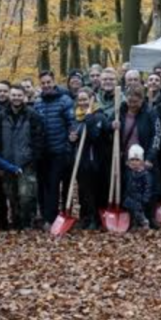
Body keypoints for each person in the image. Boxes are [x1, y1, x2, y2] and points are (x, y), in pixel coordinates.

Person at [0, 84, 44, 229]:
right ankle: (16, 223)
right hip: (7, 163)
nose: (16, 98)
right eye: (14, 95)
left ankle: (27, 222)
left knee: (26, 196)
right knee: (11, 195)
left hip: (26, 163)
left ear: (24, 97)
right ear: (10, 96)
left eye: (19, 95)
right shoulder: (2, 115)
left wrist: (34, 159)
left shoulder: (32, 115)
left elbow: (38, 140)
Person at [33, 71, 75, 226]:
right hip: (43, 152)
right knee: (43, 185)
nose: (46, 85)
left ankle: (53, 218)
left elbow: (72, 123)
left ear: (54, 82)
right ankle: (45, 215)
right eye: (43, 83)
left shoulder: (64, 100)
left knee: (53, 185)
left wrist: (68, 144)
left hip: (59, 151)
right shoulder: (38, 102)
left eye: (48, 82)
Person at [115, 85, 161, 223]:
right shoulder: (121, 112)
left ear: (142, 100)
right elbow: (108, 129)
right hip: (127, 159)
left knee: (147, 189)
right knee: (129, 189)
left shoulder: (150, 112)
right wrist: (112, 125)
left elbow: (157, 135)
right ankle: (132, 218)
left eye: (135, 102)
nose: (132, 105)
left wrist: (150, 157)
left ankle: (150, 217)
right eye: (130, 101)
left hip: (145, 158)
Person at [67, 88, 108, 229]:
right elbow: (74, 136)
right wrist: (72, 138)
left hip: (95, 161)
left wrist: (89, 119)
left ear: (92, 99)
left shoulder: (99, 116)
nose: (83, 102)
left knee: (95, 191)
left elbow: (96, 136)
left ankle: (96, 219)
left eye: (86, 99)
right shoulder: (76, 118)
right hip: (80, 161)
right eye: (80, 100)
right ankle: (86, 217)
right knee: (84, 191)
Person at [123, 144, 153, 230]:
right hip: (131, 196)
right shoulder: (129, 173)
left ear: (142, 161)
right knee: (131, 210)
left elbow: (148, 186)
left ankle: (144, 221)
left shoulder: (145, 174)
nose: (134, 162)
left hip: (140, 197)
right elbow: (127, 184)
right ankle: (134, 223)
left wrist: (145, 197)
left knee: (138, 211)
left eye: (137, 160)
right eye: (132, 160)